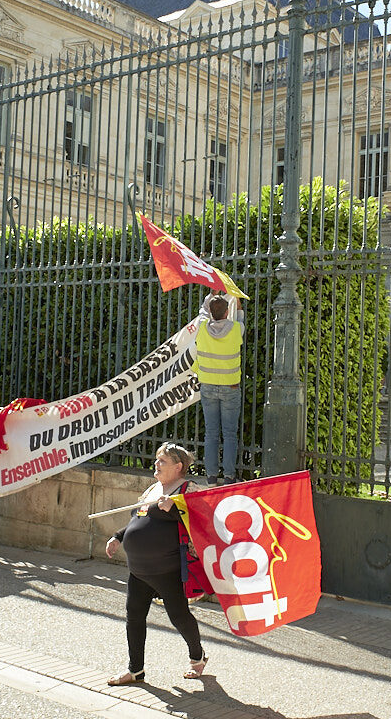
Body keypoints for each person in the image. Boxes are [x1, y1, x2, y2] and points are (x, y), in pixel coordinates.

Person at [105, 443, 207, 685]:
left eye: (162, 461)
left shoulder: (187, 489)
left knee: (179, 616)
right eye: (157, 460)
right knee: (134, 616)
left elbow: (202, 523)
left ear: (178, 466)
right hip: (139, 569)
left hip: (167, 569)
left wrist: (174, 510)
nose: (156, 464)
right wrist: (118, 537)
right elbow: (137, 518)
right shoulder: (153, 489)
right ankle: (135, 670)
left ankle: (197, 657)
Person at [193, 293, 244, 485]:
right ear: (227, 311)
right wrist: (237, 302)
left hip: (208, 386)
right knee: (230, 434)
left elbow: (202, 312)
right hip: (230, 387)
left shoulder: (202, 328)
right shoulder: (236, 329)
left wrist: (210, 295)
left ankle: (211, 477)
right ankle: (229, 476)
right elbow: (240, 316)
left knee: (211, 433)